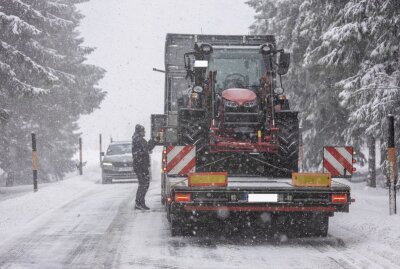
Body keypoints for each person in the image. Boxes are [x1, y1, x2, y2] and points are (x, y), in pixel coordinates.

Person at [132, 124, 158, 210]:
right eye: (143, 131)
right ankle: (139, 203)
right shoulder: (138, 140)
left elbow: (146, 148)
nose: (145, 132)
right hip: (141, 166)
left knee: (144, 184)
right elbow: (147, 147)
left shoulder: (138, 139)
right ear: (140, 132)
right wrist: (154, 140)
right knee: (143, 184)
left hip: (141, 165)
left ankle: (140, 202)